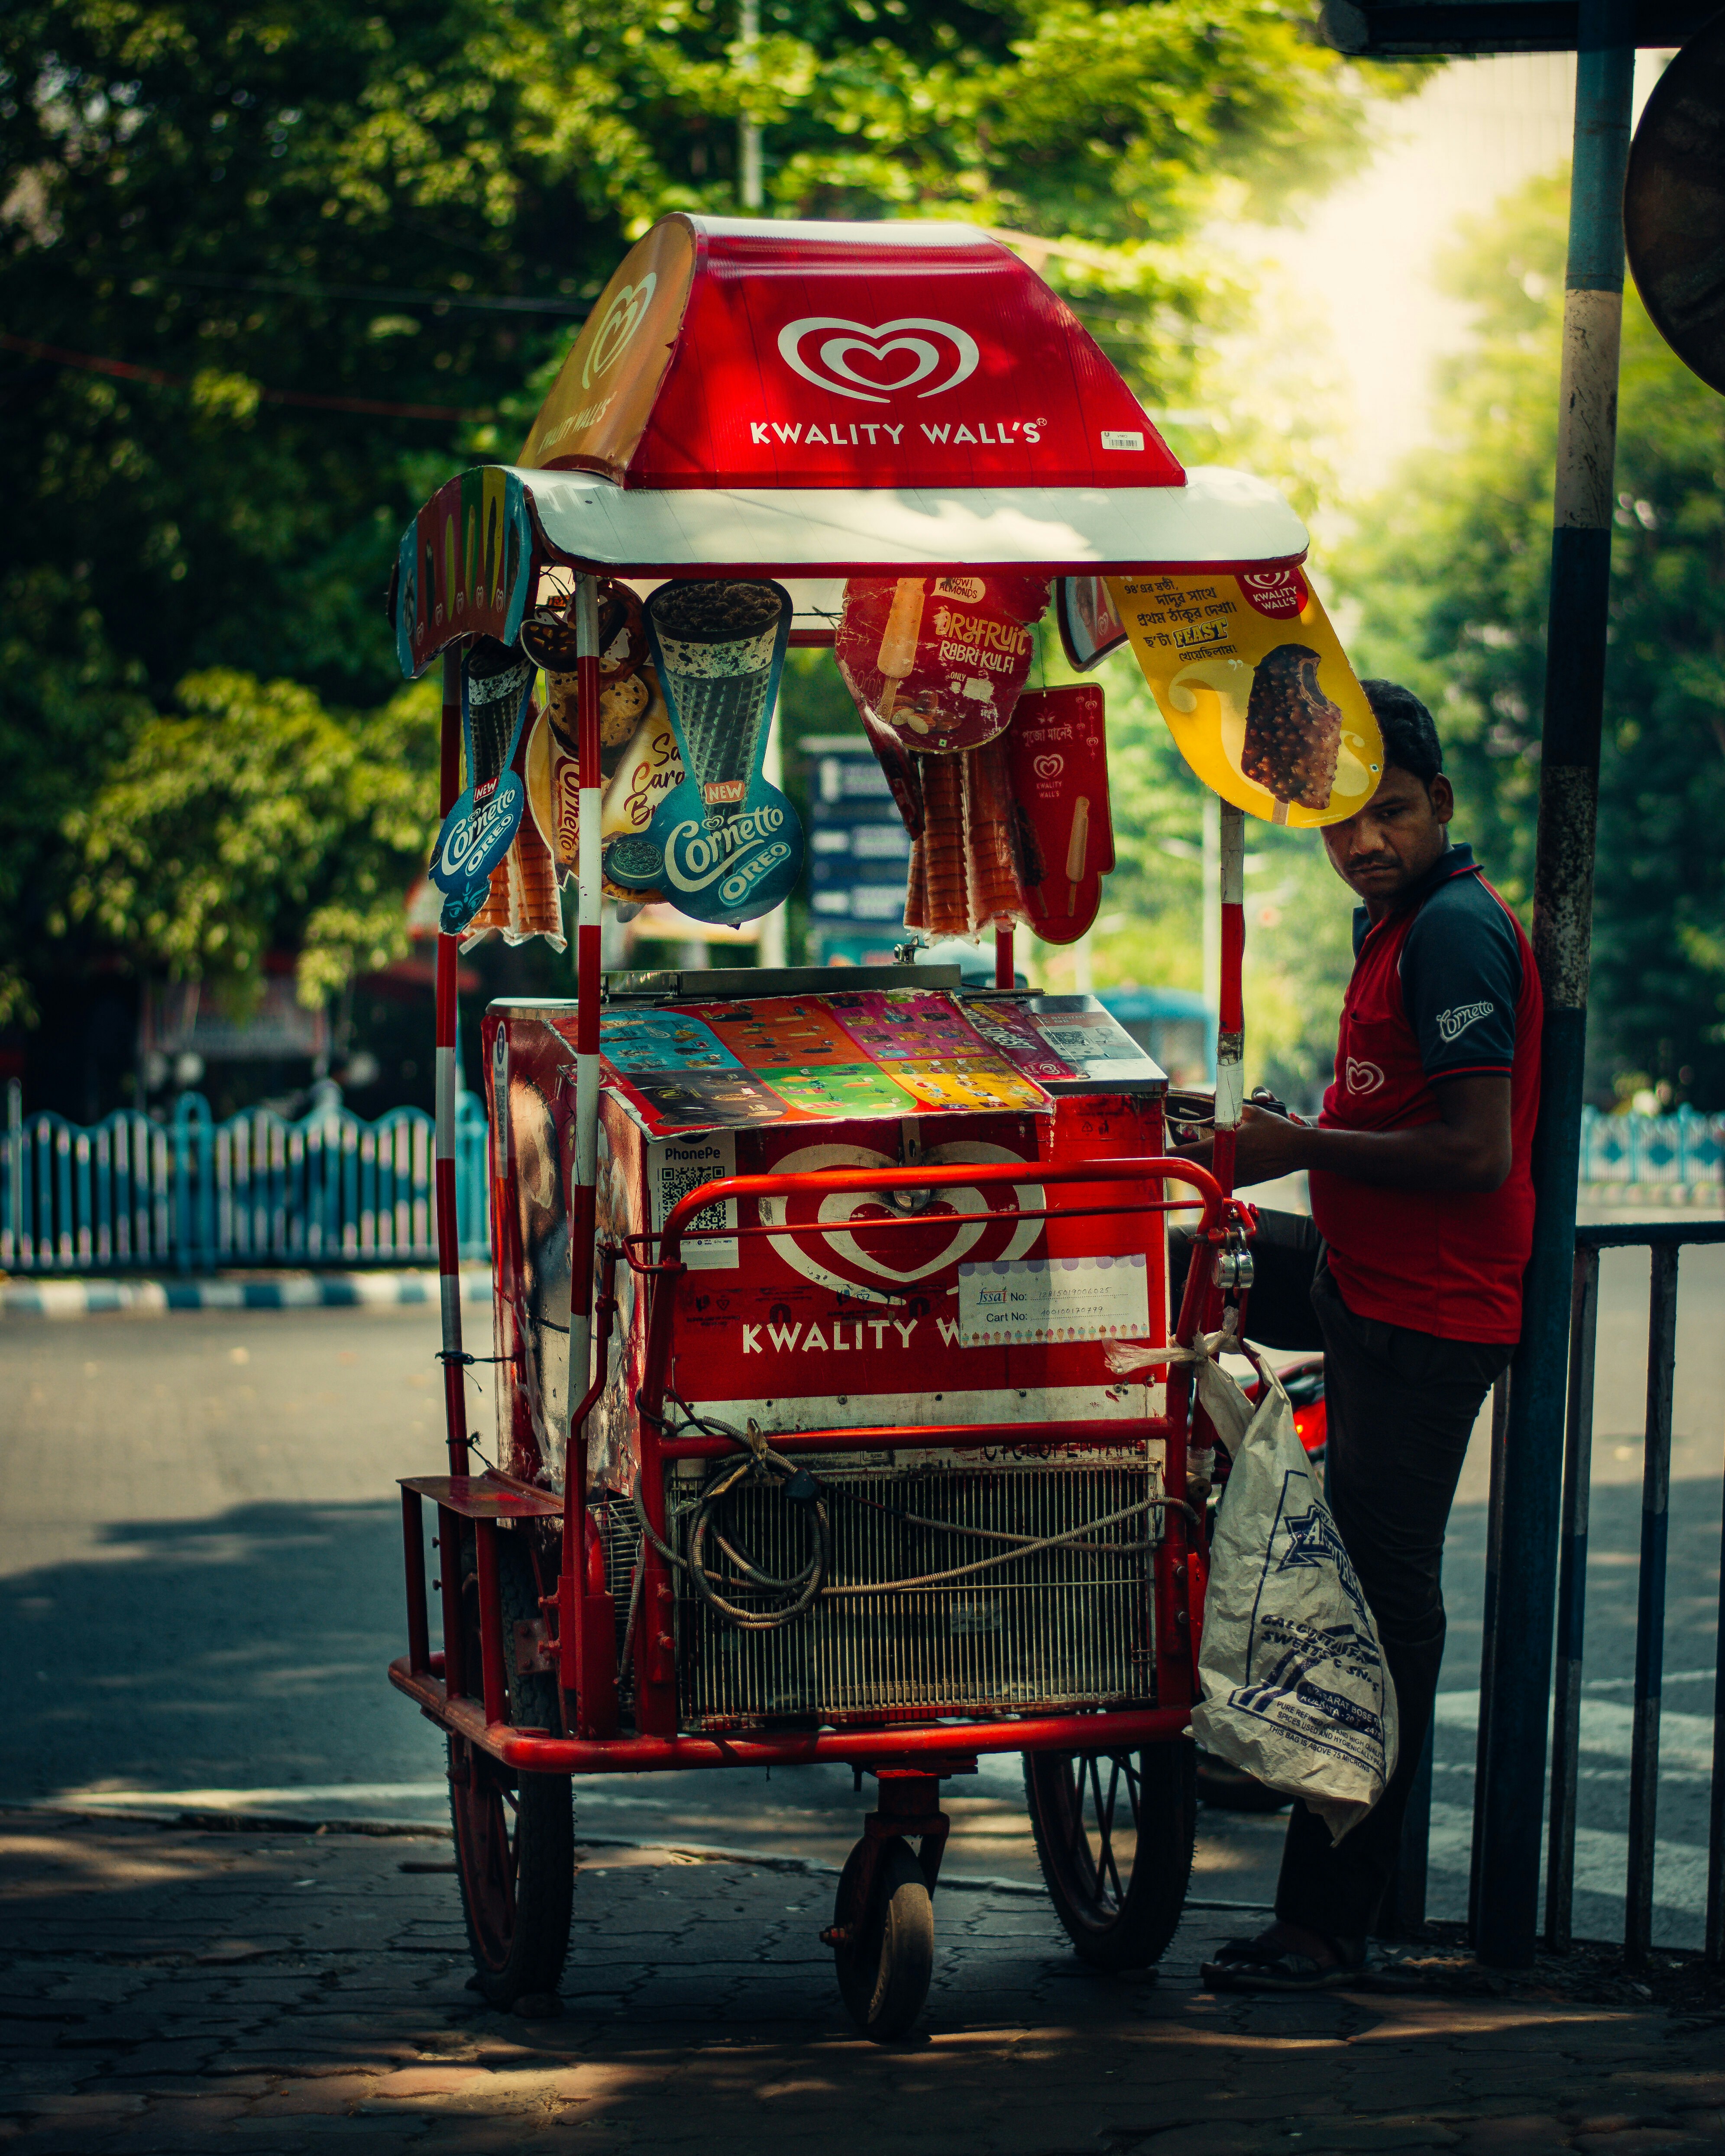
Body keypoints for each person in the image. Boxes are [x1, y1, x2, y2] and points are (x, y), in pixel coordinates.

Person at [1172, 680, 1543, 1991]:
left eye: (1391, 812)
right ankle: (1198, 1619)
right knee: (1173, 1269)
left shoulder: (1454, 932)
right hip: (1358, 1275)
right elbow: (1393, 1114)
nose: (1365, 839)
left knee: (1382, 1619)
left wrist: (1294, 1145)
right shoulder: (1393, 924)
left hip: (1425, 1317)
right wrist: (1279, 1133)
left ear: (1442, 804)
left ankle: (1329, 1925)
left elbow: (1474, 1150)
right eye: (1342, 820)